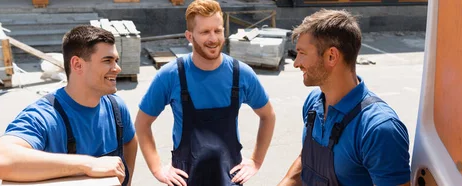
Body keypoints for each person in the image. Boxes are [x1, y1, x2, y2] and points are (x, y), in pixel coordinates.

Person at [134, 0, 276, 185]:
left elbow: (268, 115)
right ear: (189, 36)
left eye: (217, 30)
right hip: (185, 179)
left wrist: (256, 161)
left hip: (230, 177)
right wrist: (157, 169)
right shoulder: (170, 75)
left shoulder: (241, 74)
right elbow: (142, 123)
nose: (213, 38)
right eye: (204, 32)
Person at [0, 25, 138, 186]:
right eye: (107, 60)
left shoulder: (116, 108)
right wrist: (88, 165)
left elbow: (130, 141)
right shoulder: (44, 116)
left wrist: (126, 182)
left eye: (116, 61)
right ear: (77, 65)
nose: (117, 68)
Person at [278, 9, 411, 186]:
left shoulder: (379, 129)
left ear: (331, 56)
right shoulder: (313, 103)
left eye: (302, 53)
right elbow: (307, 159)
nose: (296, 63)